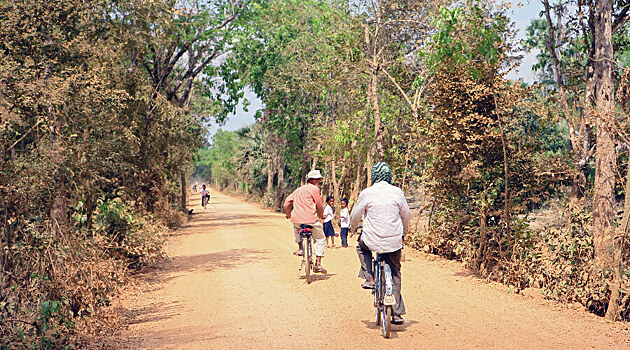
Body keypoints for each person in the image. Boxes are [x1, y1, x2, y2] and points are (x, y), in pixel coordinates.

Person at [350, 162, 410, 325]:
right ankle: (396, 313)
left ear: (375, 176)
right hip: (394, 241)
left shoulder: (367, 193)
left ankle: (369, 277)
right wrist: (403, 233)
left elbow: (355, 215)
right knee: (395, 272)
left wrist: (353, 228)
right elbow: (406, 215)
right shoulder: (397, 192)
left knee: (361, 247)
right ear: (389, 176)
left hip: (371, 239)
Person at [284, 169, 328, 273]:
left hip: (297, 220)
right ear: (310, 180)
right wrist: (321, 216)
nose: (318, 182)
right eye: (316, 179)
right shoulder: (314, 189)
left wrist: (288, 214)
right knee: (320, 238)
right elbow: (319, 205)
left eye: (319, 180)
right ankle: (318, 264)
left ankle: (300, 247)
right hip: (311, 220)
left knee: (295, 226)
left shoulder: (298, 190)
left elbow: (287, 203)